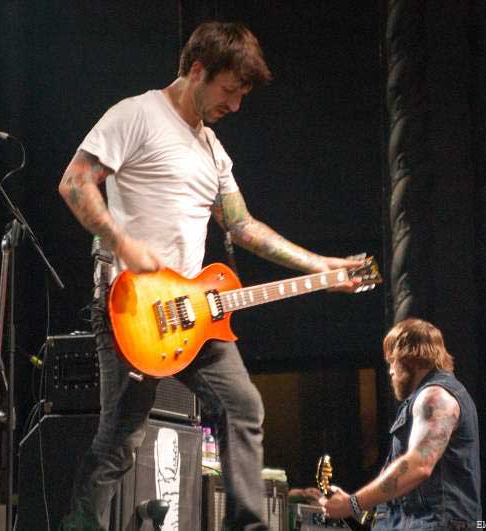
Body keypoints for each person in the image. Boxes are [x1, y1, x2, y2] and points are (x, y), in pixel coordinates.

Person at [58, 21, 363, 531]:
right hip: (131, 307)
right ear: (197, 70)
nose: (235, 106)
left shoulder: (213, 149)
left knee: (243, 406)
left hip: (194, 312)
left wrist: (321, 265)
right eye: (229, 91)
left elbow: (242, 226)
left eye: (242, 95)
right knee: (121, 441)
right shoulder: (136, 115)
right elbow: (74, 183)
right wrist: (122, 241)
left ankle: (247, 525)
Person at [319, 318, 481, 529]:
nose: (390, 371)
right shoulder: (426, 398)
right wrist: (348, 506)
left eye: (392, 361)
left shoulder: (434, 397)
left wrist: (352, 504)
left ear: (409, 358)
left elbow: (419, 465)